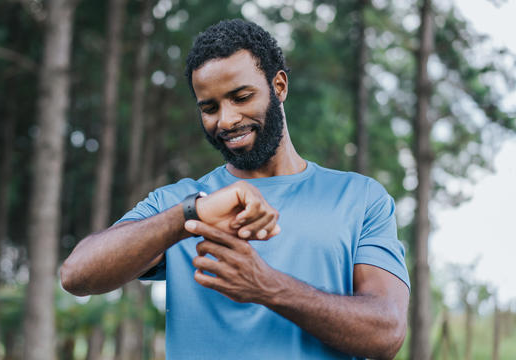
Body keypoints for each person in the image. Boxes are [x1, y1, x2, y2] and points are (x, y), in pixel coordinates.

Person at [61, 19, 410, 360]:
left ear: (280, 86)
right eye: (209, 108)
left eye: (241, 97)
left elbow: (387, 333)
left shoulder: (359, 198)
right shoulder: (181, 203)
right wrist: (189, 215)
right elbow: (77, 275)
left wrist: (268, 286)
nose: (226, 120)